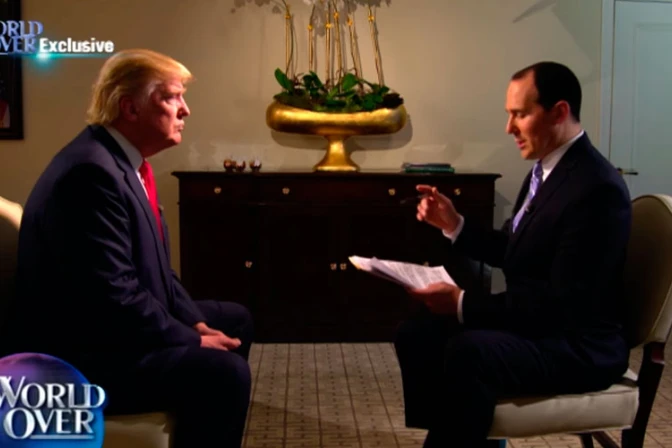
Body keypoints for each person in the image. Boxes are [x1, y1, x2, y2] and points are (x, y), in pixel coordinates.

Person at [10, 49, 254, 447]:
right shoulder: (90, 173)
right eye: (172, 97)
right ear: (130, 108)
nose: (185, 110)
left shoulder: (122, 162)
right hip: (85, 357)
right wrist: (192, 340)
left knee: (235, 320)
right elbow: (114, 296)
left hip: (111, 330)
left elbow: (159, 270)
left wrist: (194, 324)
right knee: (226, 373)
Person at [394, 61, 632, 447]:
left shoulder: (596, 188)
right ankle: (460, 431)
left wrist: (462, 304)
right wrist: (455, 225)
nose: (509, 128)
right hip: (542, 324)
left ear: (559, 112)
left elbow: (560, 304)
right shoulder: (545, 171)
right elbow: (516, 250)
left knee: (469, 352)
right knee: (417, 333)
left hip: (578, 345)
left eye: (520, 114)